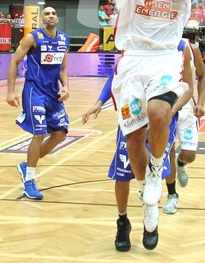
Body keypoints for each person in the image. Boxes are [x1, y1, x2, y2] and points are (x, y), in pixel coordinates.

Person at [111, 0, 204, 247]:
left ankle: (155, 171)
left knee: (159, 112)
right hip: (132, 60)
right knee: (133, 140)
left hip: (165, 57)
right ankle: (146, 206)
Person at [82, 40, 195, 251]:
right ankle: (122, 221)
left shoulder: (181, 47)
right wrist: (99, 102)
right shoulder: (134, 41)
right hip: (133, 113)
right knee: (123, 174)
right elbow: (117, 75)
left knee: (158, 169)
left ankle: (151, 220)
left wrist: (170, 110)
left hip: (161, 114)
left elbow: (189, 87)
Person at [6, 6, 70, 200]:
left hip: (53, 94)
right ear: (42, 19)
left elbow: (63, 68)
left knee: (60, 134)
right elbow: (14, 62)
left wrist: (65, 86)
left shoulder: (64, 39)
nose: (51, 15)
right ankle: (29, 181)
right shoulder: (33, 37)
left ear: (57, 17)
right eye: (47, 14)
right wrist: (10, 91)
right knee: (40, 132)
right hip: (34, 91)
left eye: (53, 13)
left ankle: (27, 165)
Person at [163, 40, 205, 215]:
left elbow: (203, 76)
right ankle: (172, 195)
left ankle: (181, 163)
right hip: (165, 108)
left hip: (187, 110)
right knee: (168, 151)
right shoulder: (158, 47)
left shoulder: (191, 48)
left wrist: (201, 103)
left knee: (189, 155)